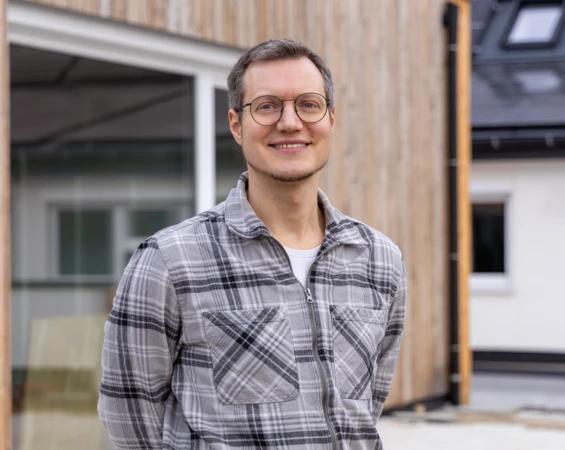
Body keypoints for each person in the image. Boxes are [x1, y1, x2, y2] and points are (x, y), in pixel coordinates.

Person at [98, 38, 407, 450]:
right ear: (236, 124)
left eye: (308, 104)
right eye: (267, 106)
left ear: (331, 119)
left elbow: (367, 405)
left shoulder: (380, 259)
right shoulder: (170, 260)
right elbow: (129, 413)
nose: (290, 122)